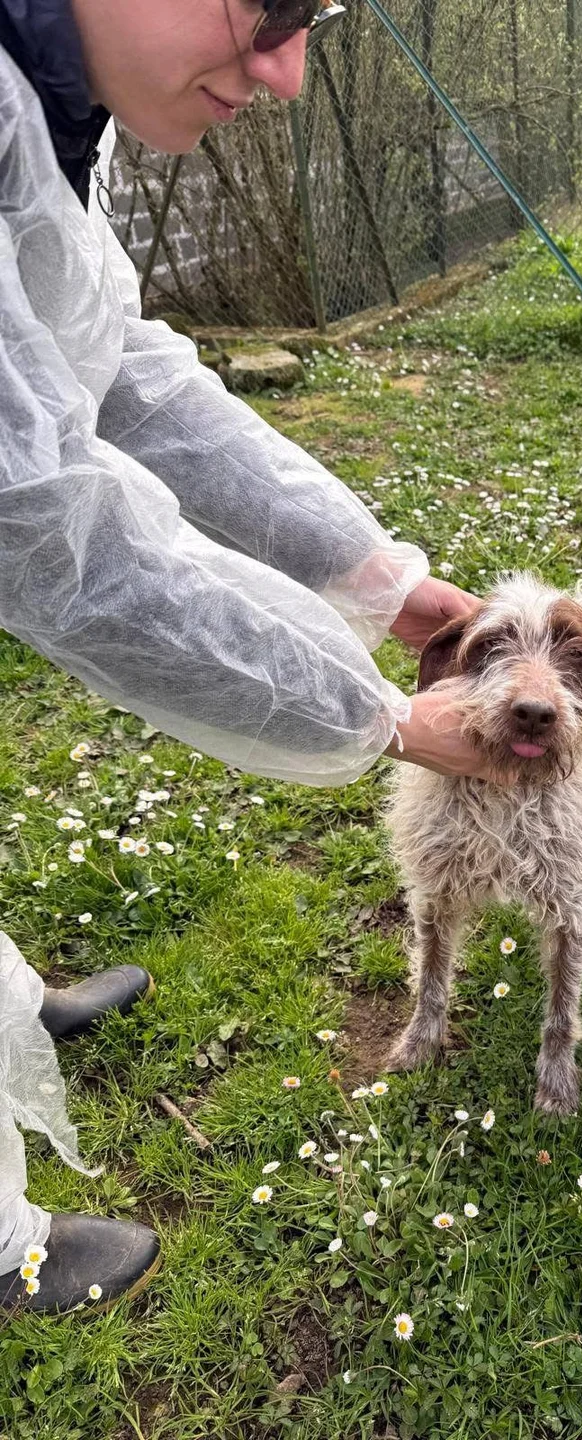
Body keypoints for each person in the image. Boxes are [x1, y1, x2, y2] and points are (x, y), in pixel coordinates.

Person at [0, 0, 494, 1317]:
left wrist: (378, 580)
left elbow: (113, 375)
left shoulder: (47, 93)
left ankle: (8, 1018)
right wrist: (379, 718)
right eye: (261, 6)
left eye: (311, 17)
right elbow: (58, 535)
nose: (285, 72)